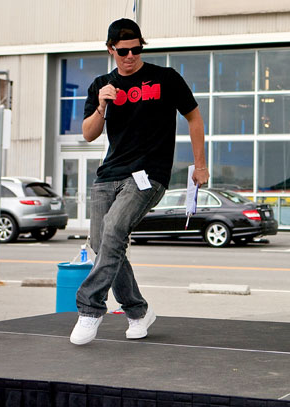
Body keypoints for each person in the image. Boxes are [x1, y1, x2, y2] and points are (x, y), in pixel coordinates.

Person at [70, 18, 209, 345]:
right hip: (108, 176)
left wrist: (199, 165)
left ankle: (90, 308)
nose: (130, 56)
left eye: (136, 50)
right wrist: (102, 103)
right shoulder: (101, 84)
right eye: (123, 51)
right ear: (111, 50)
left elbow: (194, 117)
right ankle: (137, 310)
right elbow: (89, 134)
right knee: (100, 242)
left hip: (148, 175)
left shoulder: (165, 78)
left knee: (115, 228)